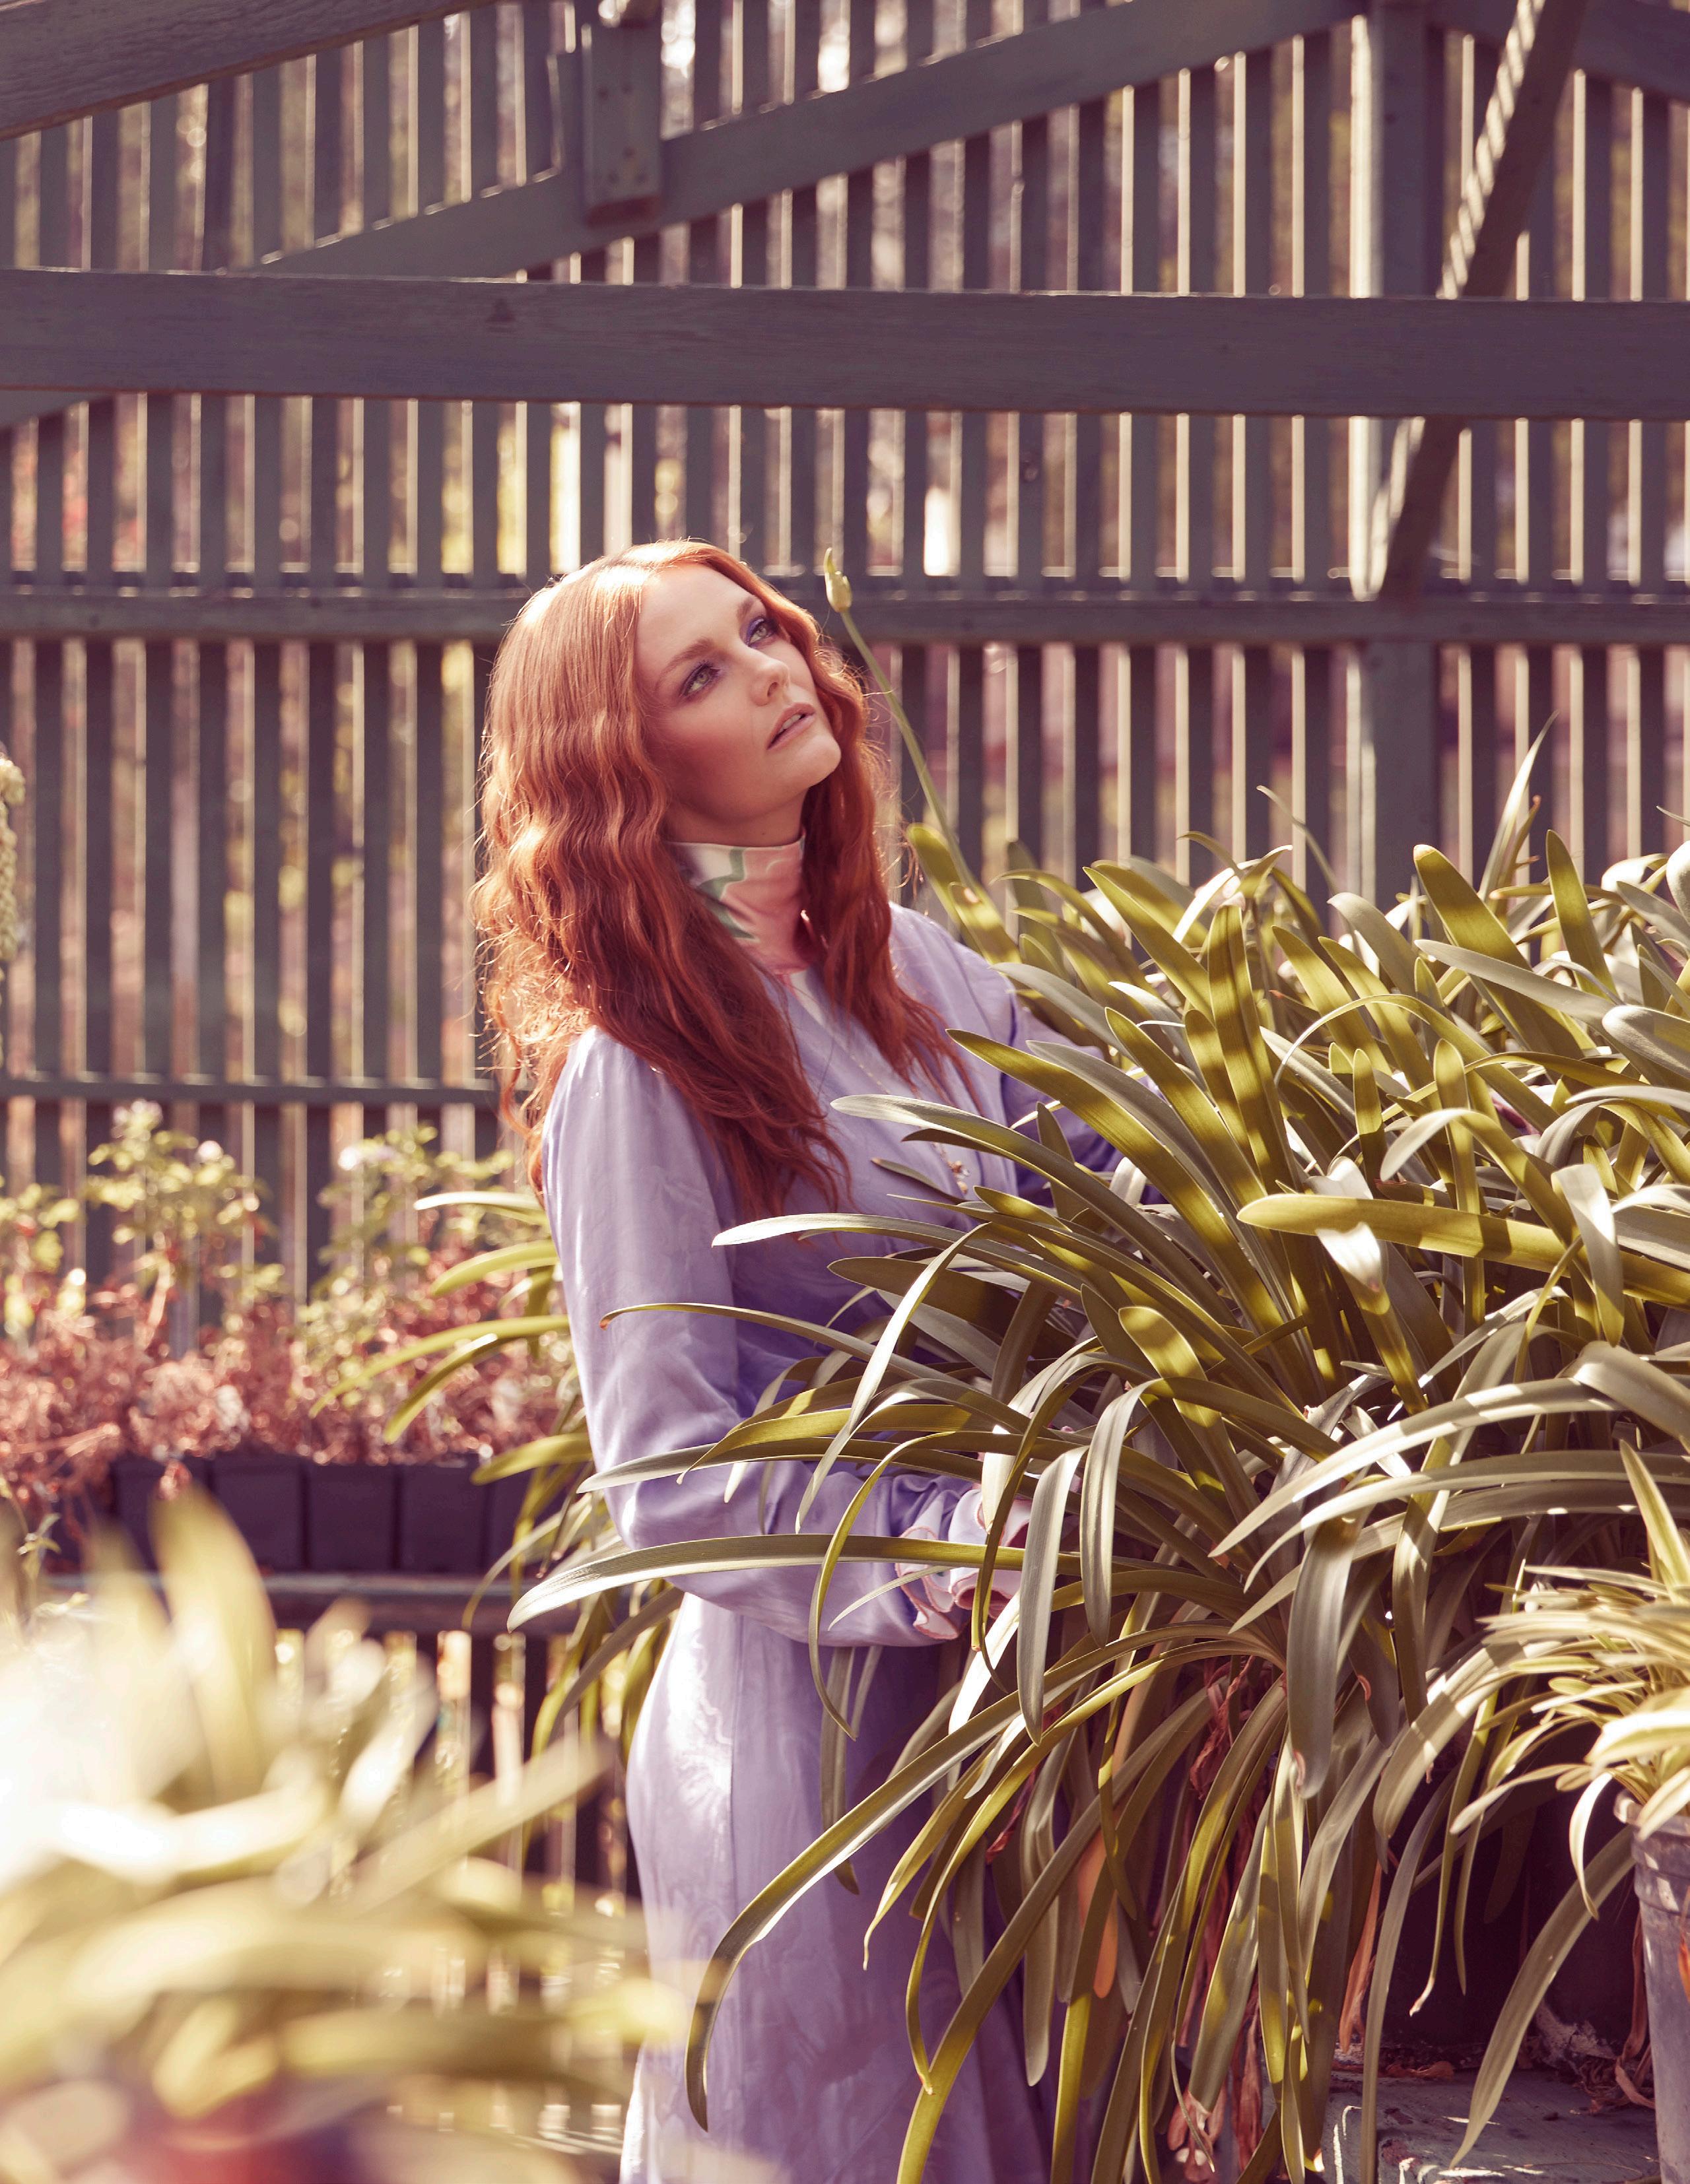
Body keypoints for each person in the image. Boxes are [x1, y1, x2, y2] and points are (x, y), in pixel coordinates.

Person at [474, 541, 1114, 2184]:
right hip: (810, 1753)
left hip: (1012, 1718)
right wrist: (948, 1549)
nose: (770, 667)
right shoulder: (636, 1066)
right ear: (626, 772)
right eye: (699, 672)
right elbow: (666, 1471)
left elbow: (1109, 1200)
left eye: (758, 628)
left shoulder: (918, 972)